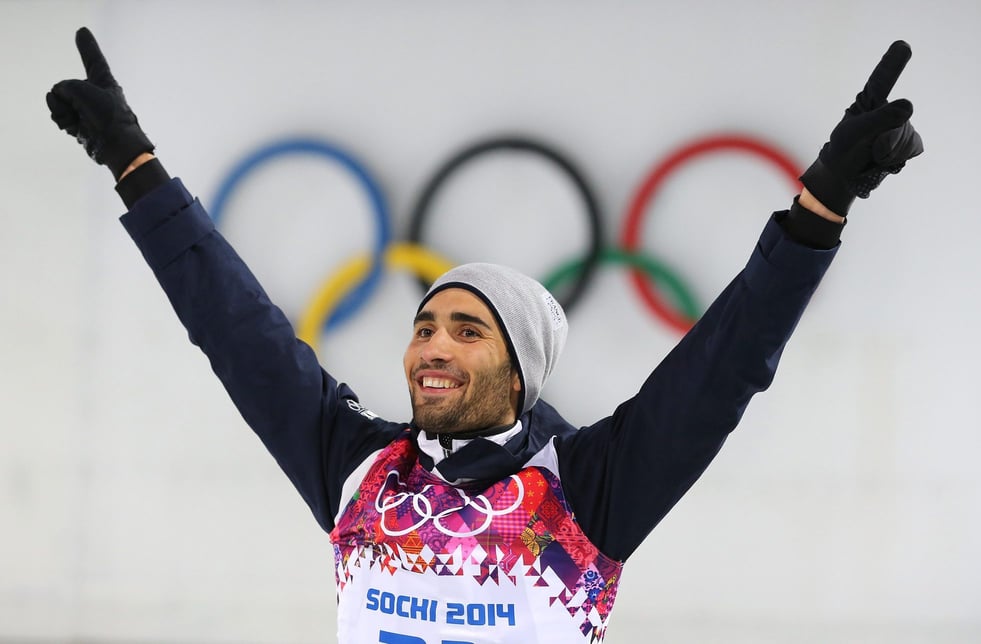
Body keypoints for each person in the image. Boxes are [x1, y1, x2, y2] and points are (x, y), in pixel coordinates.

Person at [47, 27, 923, 644]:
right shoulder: (355, 466)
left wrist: (819, 210)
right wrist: (137, 170)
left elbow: (727, 363)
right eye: (425, 324)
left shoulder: (588, 489)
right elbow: (234, 329)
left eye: (467, 330)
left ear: (519, 370)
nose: (432, 344)